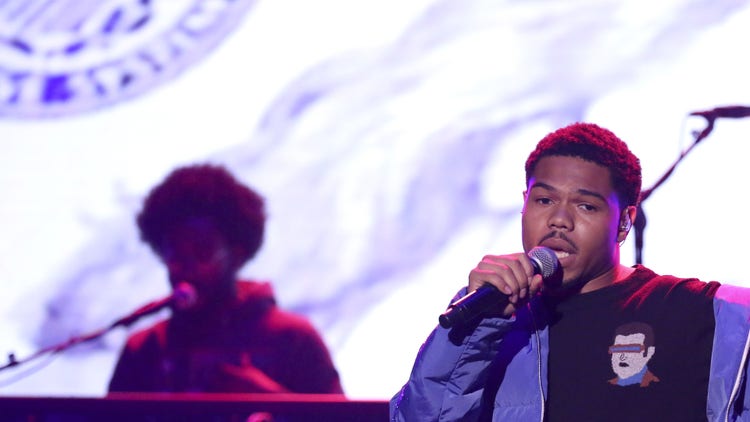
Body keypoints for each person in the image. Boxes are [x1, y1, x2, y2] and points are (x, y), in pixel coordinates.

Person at [390, 122, 750, 421]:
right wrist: (476, 329)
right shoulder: (488, 320)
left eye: (586, 206)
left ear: (624, 223)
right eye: (544, 200)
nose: (559, 220)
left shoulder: (699, 312)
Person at [108, 164, 343, 396]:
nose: (187, 268)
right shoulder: (144, 348)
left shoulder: (293, 338)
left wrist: (270, 398)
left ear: (237, 255)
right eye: (175, 254)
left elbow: (344, 417)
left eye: (202, 252)